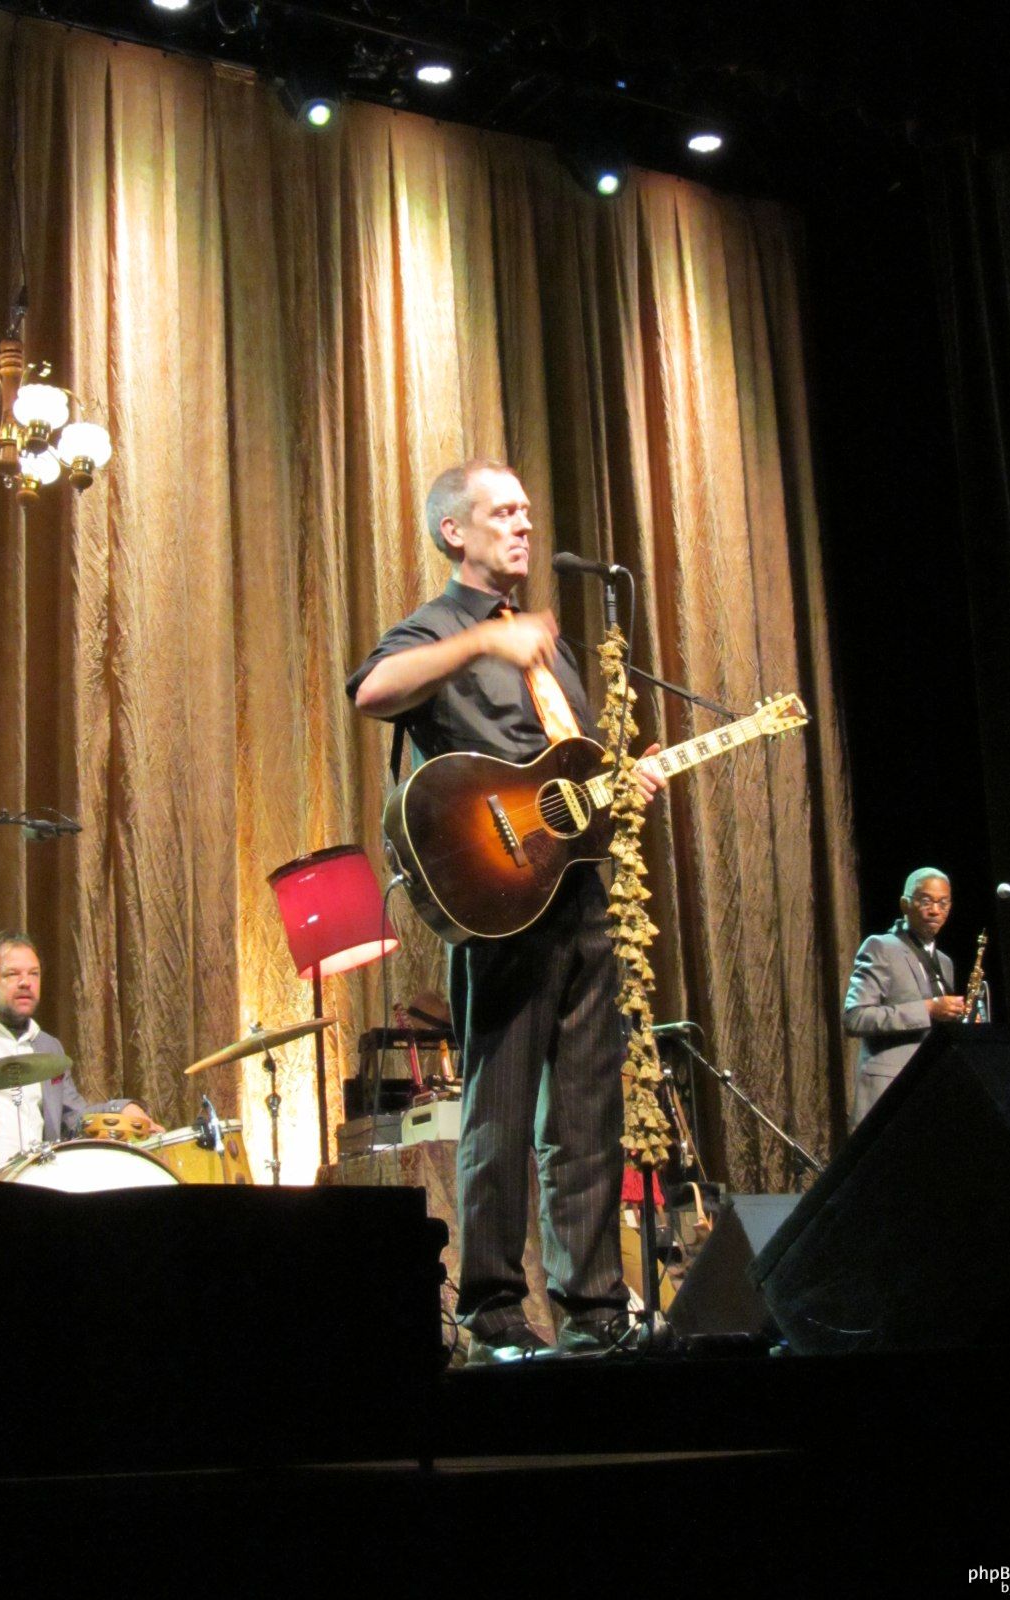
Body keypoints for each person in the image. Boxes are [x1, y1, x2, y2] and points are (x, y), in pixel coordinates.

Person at [347, 459, 664, 1363]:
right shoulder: (441, 627)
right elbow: (373, 692)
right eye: (504, 512)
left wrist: (626, 780)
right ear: (455, 532)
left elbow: (563, 769)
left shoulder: (550, 644)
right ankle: (490, 1309)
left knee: (588, 1110)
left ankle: (592, 1305)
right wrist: (482, 644)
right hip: (503, 900)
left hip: (583, 892)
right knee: (501, 1106)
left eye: (528, 509)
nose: (524, 524)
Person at [0, 930, 155, 1178]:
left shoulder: (49, 1047)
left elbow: (73, 1118)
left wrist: (119, 1109)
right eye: (12, 974)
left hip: (39, 1178)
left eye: (33, 974)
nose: (26, 982)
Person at [843, 868, 965, 1126]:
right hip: (889, 1093)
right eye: (926, 901)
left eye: (943, 903)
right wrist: (928, 1009)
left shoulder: (945, 962)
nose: (935, 911)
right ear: (905, 904)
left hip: (932, 1089)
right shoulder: (880, 947)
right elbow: (855, 1017)